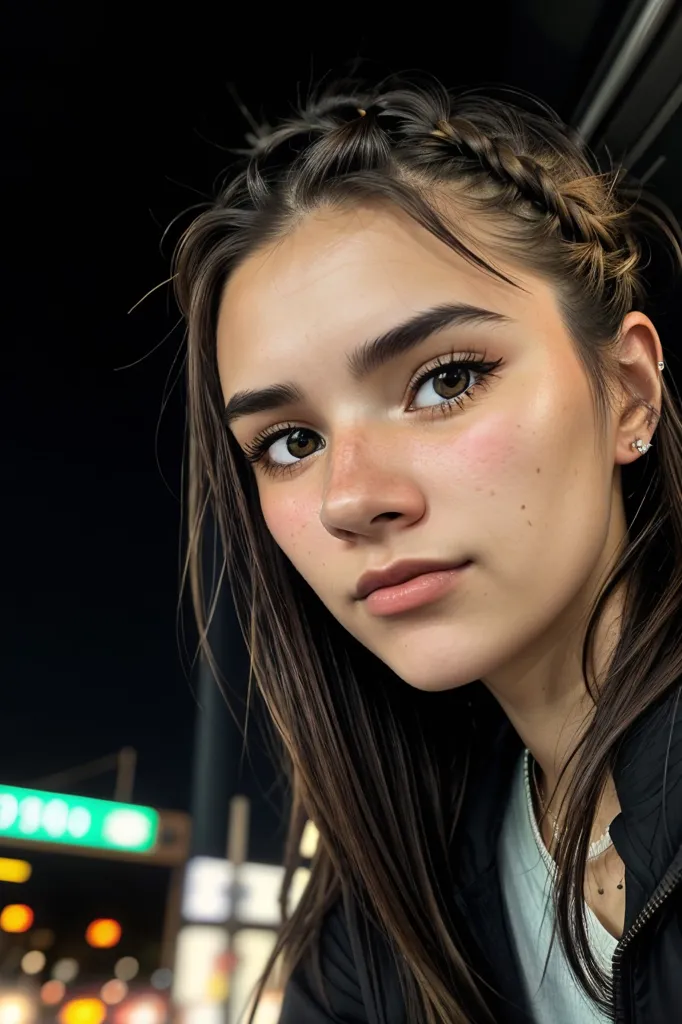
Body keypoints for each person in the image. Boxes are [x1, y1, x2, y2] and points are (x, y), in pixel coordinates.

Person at [173, 75, 682, 1024]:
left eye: (445, 380)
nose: (352, 498)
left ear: (629, 392)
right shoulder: (384, 889)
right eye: (290, 443)